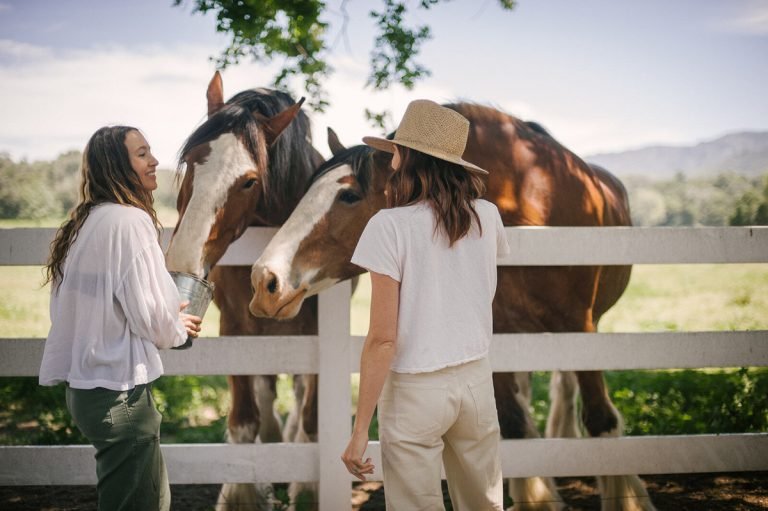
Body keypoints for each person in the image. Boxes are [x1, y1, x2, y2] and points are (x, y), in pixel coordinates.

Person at [341, 100, 510, 510]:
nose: (391, 160)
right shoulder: (487, 216)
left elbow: (383, 339)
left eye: (396, 150)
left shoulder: (389, 226)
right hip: (475, 380)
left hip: (414, 390)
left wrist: (360, 429)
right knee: (484, 503)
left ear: (409, 157)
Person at [39, 126, 202, 511]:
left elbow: (105, 302)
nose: (154, 161)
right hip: (119, 394)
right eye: (142, 154)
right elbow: (151, 315)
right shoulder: (129, 222)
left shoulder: (87, 221)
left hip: (89, 392)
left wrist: (164, 315)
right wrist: (178, 328)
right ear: (117, 166)